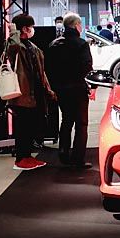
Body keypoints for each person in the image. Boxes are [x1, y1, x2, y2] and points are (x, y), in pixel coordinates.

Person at [4, 14, 56, 172]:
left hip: (35, 94)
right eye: (30, 27)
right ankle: (21, 158)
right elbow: (12, 48)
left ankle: (27, 156)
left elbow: (41, 71)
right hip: (22, 94)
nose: (32, 29)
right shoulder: (15, 45)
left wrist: (48, 90)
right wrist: (14, 32)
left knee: (31, 126)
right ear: (24, 28)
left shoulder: (32, 46)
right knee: (23, 127)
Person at [46, 13, 93, 168]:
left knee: (66, 120)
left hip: (61, 89)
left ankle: (63, 152)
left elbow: (48, 68)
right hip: (78, 88)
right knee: (81, 124)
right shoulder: (81, 44)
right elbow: (87, 66)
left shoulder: (54, 44)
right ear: (76, 25)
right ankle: (78, 158)